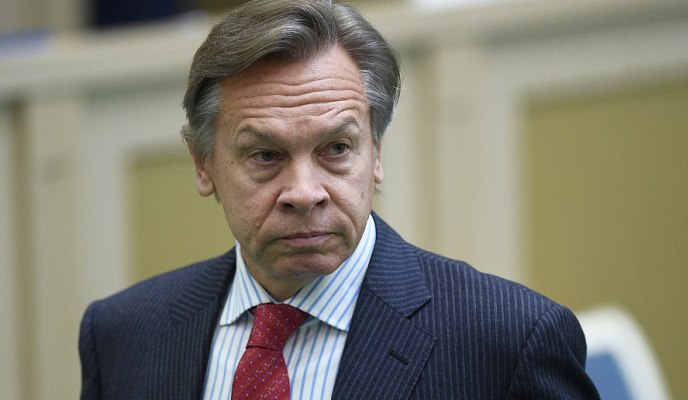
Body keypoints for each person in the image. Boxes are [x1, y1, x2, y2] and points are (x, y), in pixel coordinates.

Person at [78, 0, 600, 399]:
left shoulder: (508, 343)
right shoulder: (122, 336)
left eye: (336, 149)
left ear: (376, 152)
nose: (305, 193)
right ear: (203, 164)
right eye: (265, 155)